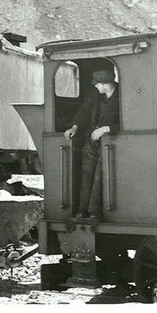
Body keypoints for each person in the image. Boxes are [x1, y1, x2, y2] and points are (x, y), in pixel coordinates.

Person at [63, 68, 120, 219]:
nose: (95, 86)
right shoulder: (95, 95)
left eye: (97, 84)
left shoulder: (122, 95)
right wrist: (75, 127)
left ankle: (95, 212)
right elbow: (84, 111)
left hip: (110, 142)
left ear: (106, 85)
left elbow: (129, 120)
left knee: (100, 176)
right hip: (92, 140)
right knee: (86, 174)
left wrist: (107, 128)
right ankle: (82, 210)